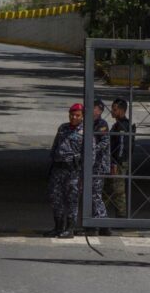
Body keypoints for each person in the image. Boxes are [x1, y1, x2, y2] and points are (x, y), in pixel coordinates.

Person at [45, 103, 85, 238]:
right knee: (55, 198)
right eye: (72, 114)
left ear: (82, 116)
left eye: (77, 115)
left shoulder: (85, 131)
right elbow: (55, 145)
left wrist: (82, 171)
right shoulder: (63, 128)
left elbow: (89, 153)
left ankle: (70, 229)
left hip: (73, 171)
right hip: (58, 168)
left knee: (72, 200)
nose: (74, 117)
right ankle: (58, 226)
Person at [88, 99, 112, 236]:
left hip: (99, 165)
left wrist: (90, 149)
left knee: (95, 194)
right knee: (92, 194)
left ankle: (101, 223)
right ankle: (99, 223)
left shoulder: (102, 124)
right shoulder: (88, 123)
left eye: (93, 107)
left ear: (99, 110)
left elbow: (104, 143)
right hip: (90, 164)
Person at [108, 98, 132, 218]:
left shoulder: (123, 126)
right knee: (115, 188)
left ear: (122, 111)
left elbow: (122, 146)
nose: (112, 111)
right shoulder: (118, 124)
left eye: (115, 109)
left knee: (118, 190)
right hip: (117, 160)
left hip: (119, 162)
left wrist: (116, 162)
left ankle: (121, 216)